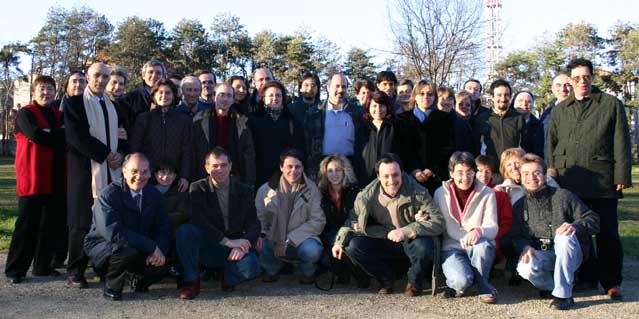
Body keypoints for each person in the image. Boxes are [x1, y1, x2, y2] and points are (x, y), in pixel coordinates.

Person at [547, 58, 632, 300]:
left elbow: (621, 141)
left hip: (602, 180)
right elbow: (550, 144)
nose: (581, 82)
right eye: (576, 78)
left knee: (607, 233)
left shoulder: (610, 104)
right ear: (570, 81)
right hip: (570, 180)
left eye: (586, 77)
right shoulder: (561, 109)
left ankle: (611, 281)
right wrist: (552, 173)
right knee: (578, 234)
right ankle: (585, 277)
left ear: (592, 78)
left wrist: (622, 175)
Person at [332, 154, 444, 296]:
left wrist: (408, 230)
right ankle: (386, 280)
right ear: (378, 176)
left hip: (411, 241)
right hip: (383, 239)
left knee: (424, 246)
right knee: (353, 246)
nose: (391, 181)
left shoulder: (418, 192)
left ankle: (414, 283)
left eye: (395, 175)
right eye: (386, 176)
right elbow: (352, 220)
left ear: (402, 174)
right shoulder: (365, 197)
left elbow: (439, 221)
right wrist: (339, 241)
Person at [503, 154, 599, 310]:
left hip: (571, 252)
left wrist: (575, 227)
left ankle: (563, 296)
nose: (532, 178)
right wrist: (525, 247)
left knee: (563, 237)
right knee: (524, 268)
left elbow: (593, 219)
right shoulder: (519, 206)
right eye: (526, 174)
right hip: (543, 254)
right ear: (520, 177)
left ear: (545, 175)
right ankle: (554, 287)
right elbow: (517, 235)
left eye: (537, 173)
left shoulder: (564, 196)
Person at [64, 62, 126, 288]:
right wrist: (106, 153)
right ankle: (75, 271)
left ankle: (102, 266)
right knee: (81, 222)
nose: (101, 80)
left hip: (112, 170)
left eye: (105, 76)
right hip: (85, 171)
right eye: (97, 75)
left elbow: (123, 133)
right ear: (88, 77)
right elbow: (76, 137)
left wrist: (119, 153)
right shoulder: (74, 103)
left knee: (107, 220)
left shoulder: (113, 105)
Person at [84, 153, 171, 301]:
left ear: (150, 173)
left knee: (165, 258)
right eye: (134, 171)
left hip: (139, 245)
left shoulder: (154, 195)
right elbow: (113, 232)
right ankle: (112, 285)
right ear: (124, 171)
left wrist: (159, 249)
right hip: (106, 246)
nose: (139, 176)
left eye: (144, 172)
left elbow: (164, 226)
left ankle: (137, 280)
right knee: (125, 250)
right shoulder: (108, 195)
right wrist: (151, 246)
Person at [176, 148, 260, 299]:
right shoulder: (197, 188)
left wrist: (244, 244)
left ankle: (227, 277)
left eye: (223, 165)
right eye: (215, 166)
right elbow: (199, 221)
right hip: (209, 245)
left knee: (252, 266)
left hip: (232, 248)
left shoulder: (244, 190)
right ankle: (192, 281)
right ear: (207, 168)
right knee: (185, 231)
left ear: (230, 166)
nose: (219, 169)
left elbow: (253, 224)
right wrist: (227, 242)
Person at [5, 75, 65, 283]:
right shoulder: (25, 113)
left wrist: (50, 133)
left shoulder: (58, 114)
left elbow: (61, 136)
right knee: (27, 225)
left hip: (55, 177)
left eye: (50, 89)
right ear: (34, 91)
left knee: (48, 225)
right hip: (33, 176)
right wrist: (54, 134)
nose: (46, 93)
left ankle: (42, 266)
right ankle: (15, 269)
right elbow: (36, 136)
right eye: (42, 89)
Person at [433, 151, 498, 303]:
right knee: (460, 282)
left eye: (469, 172)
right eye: (460, 173)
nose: (465, 178)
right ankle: (466, 278)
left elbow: (493, 228)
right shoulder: (439, 193)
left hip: (477, 245)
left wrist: (478, 231)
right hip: (452, 248)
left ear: (474, 173)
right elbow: (435, 222)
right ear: (451, 173)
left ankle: (484, 286)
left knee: (482, 247)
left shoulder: (487, 193)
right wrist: (424, 217)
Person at [256, 149, 325, 284]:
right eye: (289, 166)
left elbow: (318, 221)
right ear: (281, 167)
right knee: (260, 243)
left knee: (312, 250)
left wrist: (289, 239)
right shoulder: (265, 190)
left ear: (303, 167)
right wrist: (264, 235)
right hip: (274, 237)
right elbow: (260, 218)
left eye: (298, 167)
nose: (293, 171)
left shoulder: (313, 190)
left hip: (302, 239)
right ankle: (272, 270)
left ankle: (308, 272)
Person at [393, 79, 455, 194]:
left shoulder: (445, 119)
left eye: (430, 94)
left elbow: (447, 148)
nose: (426, 97)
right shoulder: (402, 120)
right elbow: (400, 148)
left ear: (434, 97)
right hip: (409, 178)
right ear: (415, 96)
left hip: (437, 179)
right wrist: (413, 170)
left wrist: (432, 169)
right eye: (422, 93)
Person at [130, 80, 192, 190]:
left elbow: (187, 150)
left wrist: (184, 176)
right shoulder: (143, 119)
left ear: (174, 95)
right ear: (154, 95)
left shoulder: (184, 121)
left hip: (174, 178)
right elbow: (135, 148)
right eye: (160, 92)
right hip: (147, 178)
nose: (164, 96)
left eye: (168, 93)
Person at [305, 73, 365, 182]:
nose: (340, 90)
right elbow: (307, 143)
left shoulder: (356, 112)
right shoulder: (315, 112)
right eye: (337, 86)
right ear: (328, 88)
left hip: (350, 167)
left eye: (344, 86)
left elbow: (361, 142)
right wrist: (311, 169)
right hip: (322, 168)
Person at [192, 83, 255, 185]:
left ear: (233, 100)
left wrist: (249, 180)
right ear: (214, 96)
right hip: (206, 176)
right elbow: (194, 150)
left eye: (229, 96)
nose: (225, 99)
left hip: (235, 176)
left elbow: (248, 153)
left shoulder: (242, 122)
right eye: (221, 95)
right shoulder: (200, 120)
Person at [248, 80, 304, 188]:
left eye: (278, 95)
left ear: (283, 98)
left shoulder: (291, 121)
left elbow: (299, 148)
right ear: (263, 98)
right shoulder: (253, 120)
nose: (275, 98)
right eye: (271, 95)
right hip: (260, 176)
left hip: (286, 177)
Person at [317, 155, 362, 285]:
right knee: (331, 240)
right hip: (329, 233)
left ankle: (358, 273)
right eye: (330, 171)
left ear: (345, 171)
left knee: (348, 243)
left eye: (338, 170)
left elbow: (354, 218)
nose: (334, 174)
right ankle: (342, 274)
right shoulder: (321, 192)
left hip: (351, 230)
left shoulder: (355, 191)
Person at [473, 79, 524, 167]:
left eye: (506, 95)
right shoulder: (483, 118)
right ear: (492, 97)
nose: (503, 99)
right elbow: (476, 146)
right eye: (499, 95)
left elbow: (524, 145)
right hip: (490, 170)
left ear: (510, 97)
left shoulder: (518, 118)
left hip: (513, 169)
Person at [474, 155, 512, 264]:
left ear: (492, 174)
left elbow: (506, 223)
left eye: (487, 171)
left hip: (493, 240)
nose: (483, 175)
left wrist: (494, 239)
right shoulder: (467, 193)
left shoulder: (500, 195)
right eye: (479, 171)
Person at [118, 60, 166, 132]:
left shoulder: (168, 100)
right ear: (143, 76)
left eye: (158, 73)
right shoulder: (129, 99)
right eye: (150, 72)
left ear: (162, 77)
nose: (154, 75)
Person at [362, 91, 395, 184]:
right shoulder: (363, 128)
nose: (378, 109)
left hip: (390, 180)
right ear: (368, 107)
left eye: (382, 106)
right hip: (367, 180)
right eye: (374, 106)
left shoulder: (395, 127)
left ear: (387, 107)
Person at [540, 72, 572, 163]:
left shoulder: (583, 112)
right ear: (553, 89)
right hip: (549, 166)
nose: (563, 89)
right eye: (558, 85)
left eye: (567, 85)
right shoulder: (546, 114)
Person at [512, 91, 544, 157]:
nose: (524, 104)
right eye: (520, 101)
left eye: (528, 101)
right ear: (513, 103)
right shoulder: (505, 122)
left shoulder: (539, 126)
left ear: (533, 104)